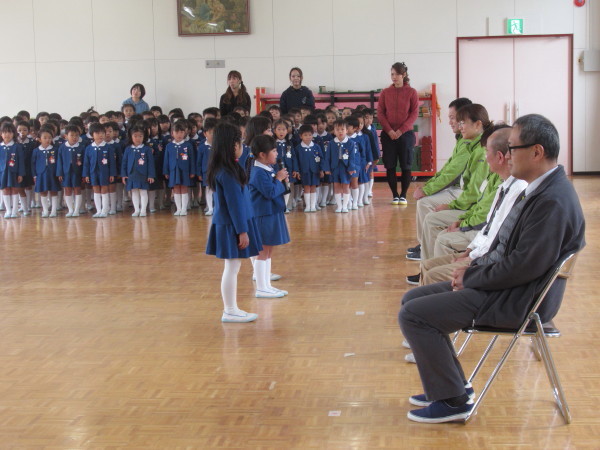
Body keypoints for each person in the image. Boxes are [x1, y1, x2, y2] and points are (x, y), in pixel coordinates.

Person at [398, 114, 586, 423]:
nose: (507, 156)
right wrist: (473, 267)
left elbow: (523, 266)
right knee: (412, 300)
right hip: (509, 288)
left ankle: (453, 401)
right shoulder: (540, 189)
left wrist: (471, 276)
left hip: (519, 299)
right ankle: (452, 387)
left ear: (536, 152)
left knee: (415, 315)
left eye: (513, 148)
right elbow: (506, 247)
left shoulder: (552, 200)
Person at [411, 104, 492, 262]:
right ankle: (428, 262)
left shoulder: (481, 152)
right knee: (431, 217)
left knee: (432, 217)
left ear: (478, 124)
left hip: (468, 203)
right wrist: (428, 186)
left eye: (462, 122)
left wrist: (453, 208)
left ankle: (430, 264)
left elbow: (473, 193)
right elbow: (448, 168)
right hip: (468, 202)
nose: (458, 126)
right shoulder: (469, 144)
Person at [205, 122, 262, 323]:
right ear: (232, 145)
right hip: (232, 225)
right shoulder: (227, 172)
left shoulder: (229, 167)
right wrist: (242, 231)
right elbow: (234, 204)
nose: (242, 146)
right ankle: (229, 310)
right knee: (232, 267)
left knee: (233, 267)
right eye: (240, 142)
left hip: (233, 223)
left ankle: (232, 309)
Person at [407, 98, 473, 258]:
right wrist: (427, 186)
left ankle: (427, 248)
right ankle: (425, 244)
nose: (450, 122)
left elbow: (452, 175)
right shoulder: (462, 140)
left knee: (425, 203)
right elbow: (448, 168)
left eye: (452, 117)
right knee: (424, 200)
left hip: (461, 193)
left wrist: (427, 190)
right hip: (459, 190)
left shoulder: (471, 143)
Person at [248, 135, 290, 298]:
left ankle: (267, 285)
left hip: (271, 212)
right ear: (262, 155)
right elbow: (270, 192)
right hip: (263, 215)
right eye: (273, 151)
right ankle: (261, 288)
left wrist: (279, 179)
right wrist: (279, 179)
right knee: (262, 252)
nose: (276, 154)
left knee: (268, 251)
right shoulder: (258, 172)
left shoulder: (268, 168)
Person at [377, 62, 418, 205]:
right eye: (392, 74)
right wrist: (389, 130)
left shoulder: (412, 92)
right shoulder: (385, 92)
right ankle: (395, 195)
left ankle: (404, 195)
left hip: (405, 134)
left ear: (404, 75)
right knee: (390, 165)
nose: (394, 77)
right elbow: (380, 113)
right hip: (388, 134)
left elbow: (414, 113)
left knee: (406, 165)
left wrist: (401, 130)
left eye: (397, 74)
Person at [82, 122, 116, 218]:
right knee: (96, 190)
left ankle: (105, 210)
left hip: (104, 173)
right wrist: (86, 175)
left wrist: (112, 174)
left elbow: (112, 162)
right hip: (93, 173)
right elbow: (86, 163)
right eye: (97, 133)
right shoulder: (89, 148)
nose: (100, 135)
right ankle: (98, 210)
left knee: (104, 190)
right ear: (92, 135)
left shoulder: (108, 147)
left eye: (102, 133)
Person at [324, 119, 358, 213]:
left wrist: (351, 168)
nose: (340, 132)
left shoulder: (350, 143)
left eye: (342, 129)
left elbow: (352, 157)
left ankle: (345, 206)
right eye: (337, 129)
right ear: (334, 131)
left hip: (345, 168)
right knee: (336, 186)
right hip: (335, 167)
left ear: (346, 130)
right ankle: (339, 206)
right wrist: (327, 168)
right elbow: (328, 157)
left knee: (346, 186)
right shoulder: (331, 143)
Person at [121, 125, 155, 217]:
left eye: (140, 136)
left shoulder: (146, 149)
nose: (138, 138)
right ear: (131, 137)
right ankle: (136, 210)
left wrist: (151, 175)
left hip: (143, 174)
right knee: (134, 192)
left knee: (143, 192)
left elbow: (151, 163)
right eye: (135, 136)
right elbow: (124, 163)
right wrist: (123, 174)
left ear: (144, 137)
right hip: (131, 174)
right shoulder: (128, 149)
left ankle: (143, 210)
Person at [293, 124, 323, 213]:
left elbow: (321, 158)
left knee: (313, 187)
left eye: (310, 135)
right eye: (305, 135)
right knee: (306, 188)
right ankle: (308, 206)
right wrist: (297, 171)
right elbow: (295, 160)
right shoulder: (298, 148)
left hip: (315, 171)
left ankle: (313, 206)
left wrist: (321, 170)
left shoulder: (316, 147)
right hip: (304, 171)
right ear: (300, 136)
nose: (308, 137)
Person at [56, 124, 85, 217]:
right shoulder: (62, 147)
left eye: (76, 135)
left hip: (77, 172)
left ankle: (76, 210)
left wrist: (84, 174)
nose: (74, 137)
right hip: (66, 173)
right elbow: (59, 161)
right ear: (66, 136)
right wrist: (59, 173)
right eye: (72, 135)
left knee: (77, 190)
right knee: (67, 190)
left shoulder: (82, 147)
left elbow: (85, 162)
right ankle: (70, 209)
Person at [0, 123, 25, 218]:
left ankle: (14, 211)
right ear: (1, 134)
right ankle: (8, 210)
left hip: (14, 172)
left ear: (13, 134)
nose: (7, 134)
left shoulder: (17, 146)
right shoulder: (0, 146)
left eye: (10, 132)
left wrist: (20, 174)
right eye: (4, 132)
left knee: (14, 189)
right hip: (2, 173)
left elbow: (21, 161)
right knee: (5, 189)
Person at [196, 117, 217, 216]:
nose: (213, 135)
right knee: (208, 189)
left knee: (216, 190)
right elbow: (199, 161)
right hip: (206, 172)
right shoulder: (202, 147)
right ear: (205, 133)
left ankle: (217, 207)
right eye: (211, 133)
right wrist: (199, 173)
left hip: (217, 171)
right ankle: (210, 207)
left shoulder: (219, 146)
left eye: (215, 133)